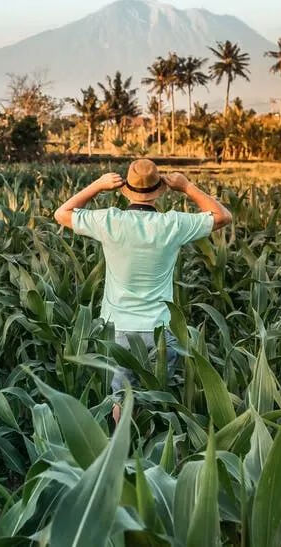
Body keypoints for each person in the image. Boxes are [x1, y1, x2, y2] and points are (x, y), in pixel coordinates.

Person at [54, 159, 232, 422]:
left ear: (126, 187)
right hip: (161, 330)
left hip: (119, 329)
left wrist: (98, 185)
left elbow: (61, 213)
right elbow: (223, 216)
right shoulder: (172, 224)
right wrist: (187, 187)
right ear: (159, 189)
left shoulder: (110, 221)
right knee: (157, 399)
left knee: (121, 400)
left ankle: (125, 455)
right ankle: (157, 453)